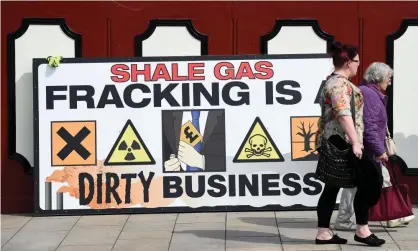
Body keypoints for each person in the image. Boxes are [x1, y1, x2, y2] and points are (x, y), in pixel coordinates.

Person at [314, 41, 385, 247]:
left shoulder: (338, 83)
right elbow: (344, 114)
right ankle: (361, 230)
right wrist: (356, 142)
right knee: (370, 180)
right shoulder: (338, 85)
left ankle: (324, 233)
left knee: (333, 187)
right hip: (341, 143)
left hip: (338, 142)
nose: (358, 66)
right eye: (356, 62)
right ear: (347, 62)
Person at [334, 62, 415, 230]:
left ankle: (392, 215)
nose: (390, 82)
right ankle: (390, 215)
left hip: (366, 147)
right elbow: (369, 126)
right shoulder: (369, 95)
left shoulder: (371, 93)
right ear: (379, 79)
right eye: (388, 79)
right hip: (365, 148)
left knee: (374, 180)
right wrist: (379, 151)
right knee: (360, 183)